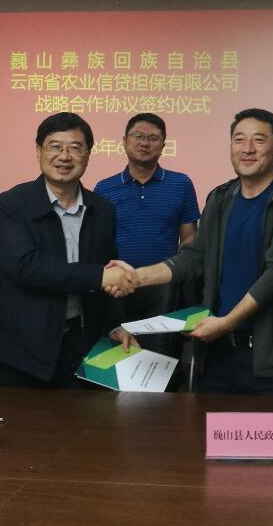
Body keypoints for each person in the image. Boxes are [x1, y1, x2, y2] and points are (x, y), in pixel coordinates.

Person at [113, 108, 273, 395]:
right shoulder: (220, 198)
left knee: (270, 427)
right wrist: (135, 277)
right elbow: (194, 257)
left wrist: (226, 323)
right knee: (212, 426)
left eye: (258, 140)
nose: (247, 149)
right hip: (218, 356)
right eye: (239, 139)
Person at [0, 112, 136, 388]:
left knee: (79, 416)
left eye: (75, 148)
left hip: (80, 343)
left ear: (88, 155)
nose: (64, 156)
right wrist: (99, 276)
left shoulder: (102, 210)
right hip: (20, 346)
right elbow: (26, 267)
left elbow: (107, 270)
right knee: (20, 416)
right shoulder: (10, 205)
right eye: (55, 146)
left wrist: (116, 325)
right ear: (39, 151)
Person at [94, 113, 200, 362]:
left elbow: (189, 240)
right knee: (118, 360)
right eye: (138, 136)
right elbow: (98, 245)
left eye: (153, 138)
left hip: (163, 290)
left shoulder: (181, 184)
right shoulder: (104, 188)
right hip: (115, 290)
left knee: (158, 361)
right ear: (124, 141)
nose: (144, 143)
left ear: (163, 145)